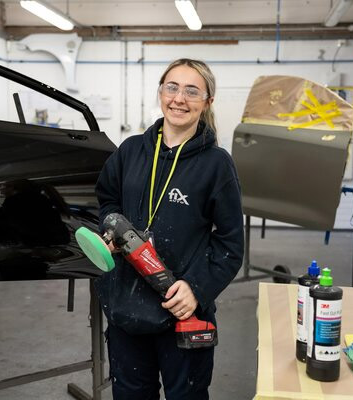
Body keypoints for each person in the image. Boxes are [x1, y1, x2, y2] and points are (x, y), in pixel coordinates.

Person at [95, 58, 244, 400]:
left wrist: (195, 289)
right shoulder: (131, 150)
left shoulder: (217, 165)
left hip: (181, 312)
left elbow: (230, 244)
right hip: (126, 310)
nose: (179, 98)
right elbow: (107, 201)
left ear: (207, 101)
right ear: (161, 93)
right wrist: (111, 230)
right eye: (171, 87)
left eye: (192, 91)